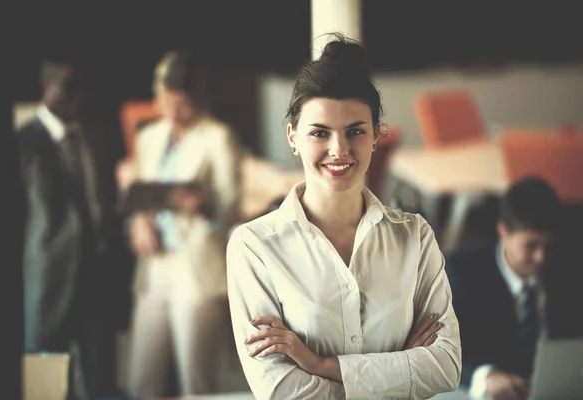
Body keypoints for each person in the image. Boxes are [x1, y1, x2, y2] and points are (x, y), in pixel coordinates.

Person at [226, 34, 461, 399]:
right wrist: (400, 367)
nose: (339, 150)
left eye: (355, 131)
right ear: (293, 137)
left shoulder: (415, 237)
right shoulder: (254, 247)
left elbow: (445, 367)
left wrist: (320, 364)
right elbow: (279, 389)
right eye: (320, 133)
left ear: (375, 137)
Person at [123, 48, 241, 397]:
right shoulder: (149, 137)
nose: (174, 113)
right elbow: (141, 196)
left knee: (196, 381)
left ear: (200, 100)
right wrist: (140, 222)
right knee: (142, 378)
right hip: (155, 266)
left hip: (196, 269)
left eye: (184, 104)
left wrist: (204, 205)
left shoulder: (218, 137)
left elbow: (229, 206)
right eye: (167, 102)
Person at [16, 57, 115, 400]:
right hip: (45, 273)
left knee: (97, 370)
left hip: (95, 271)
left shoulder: (96, 134)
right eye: (68, 87)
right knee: (43, 371)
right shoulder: (22, 142)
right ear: (46, 86)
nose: (78, 97)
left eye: (81, 88)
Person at [445, 177, 583, 400]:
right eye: (531, 246)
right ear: (503, 232)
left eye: (549, 245)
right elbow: (438, 348)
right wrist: (485, 376)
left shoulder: (569, 265)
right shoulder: (461, 274)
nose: (541, 257)